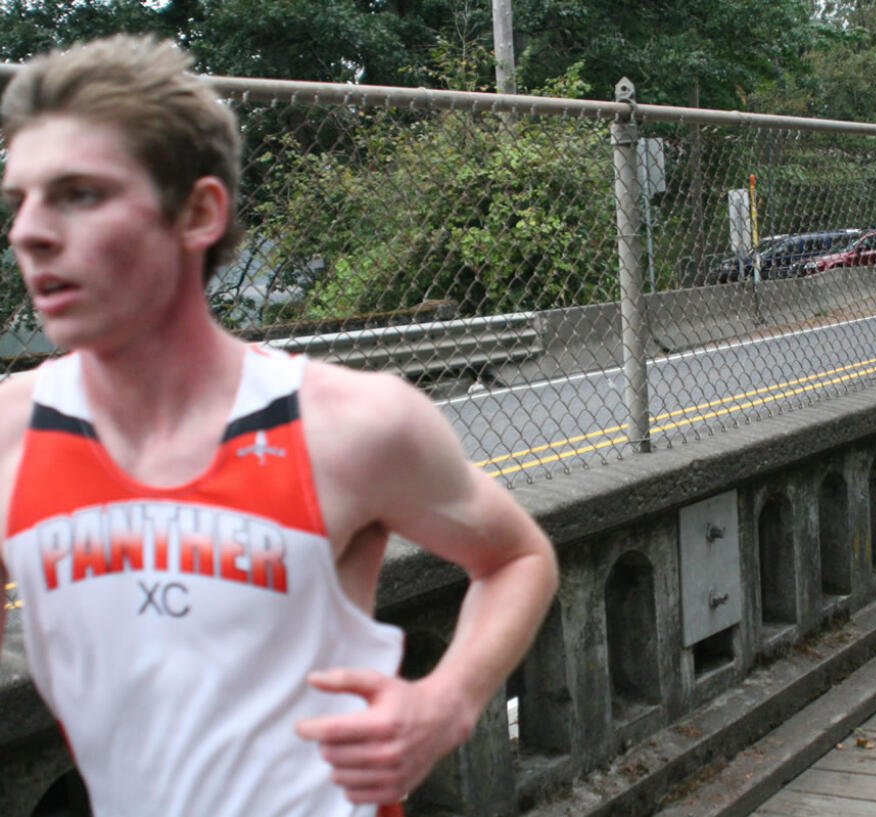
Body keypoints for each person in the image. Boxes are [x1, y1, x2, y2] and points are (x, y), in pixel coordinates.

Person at [0, 34, 558, 817]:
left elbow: (517, 556)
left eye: (79, 194)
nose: (29, 231)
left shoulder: (353, 424)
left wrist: (446, 703)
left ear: (199, 212)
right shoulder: (12, 434)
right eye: (18, 200)